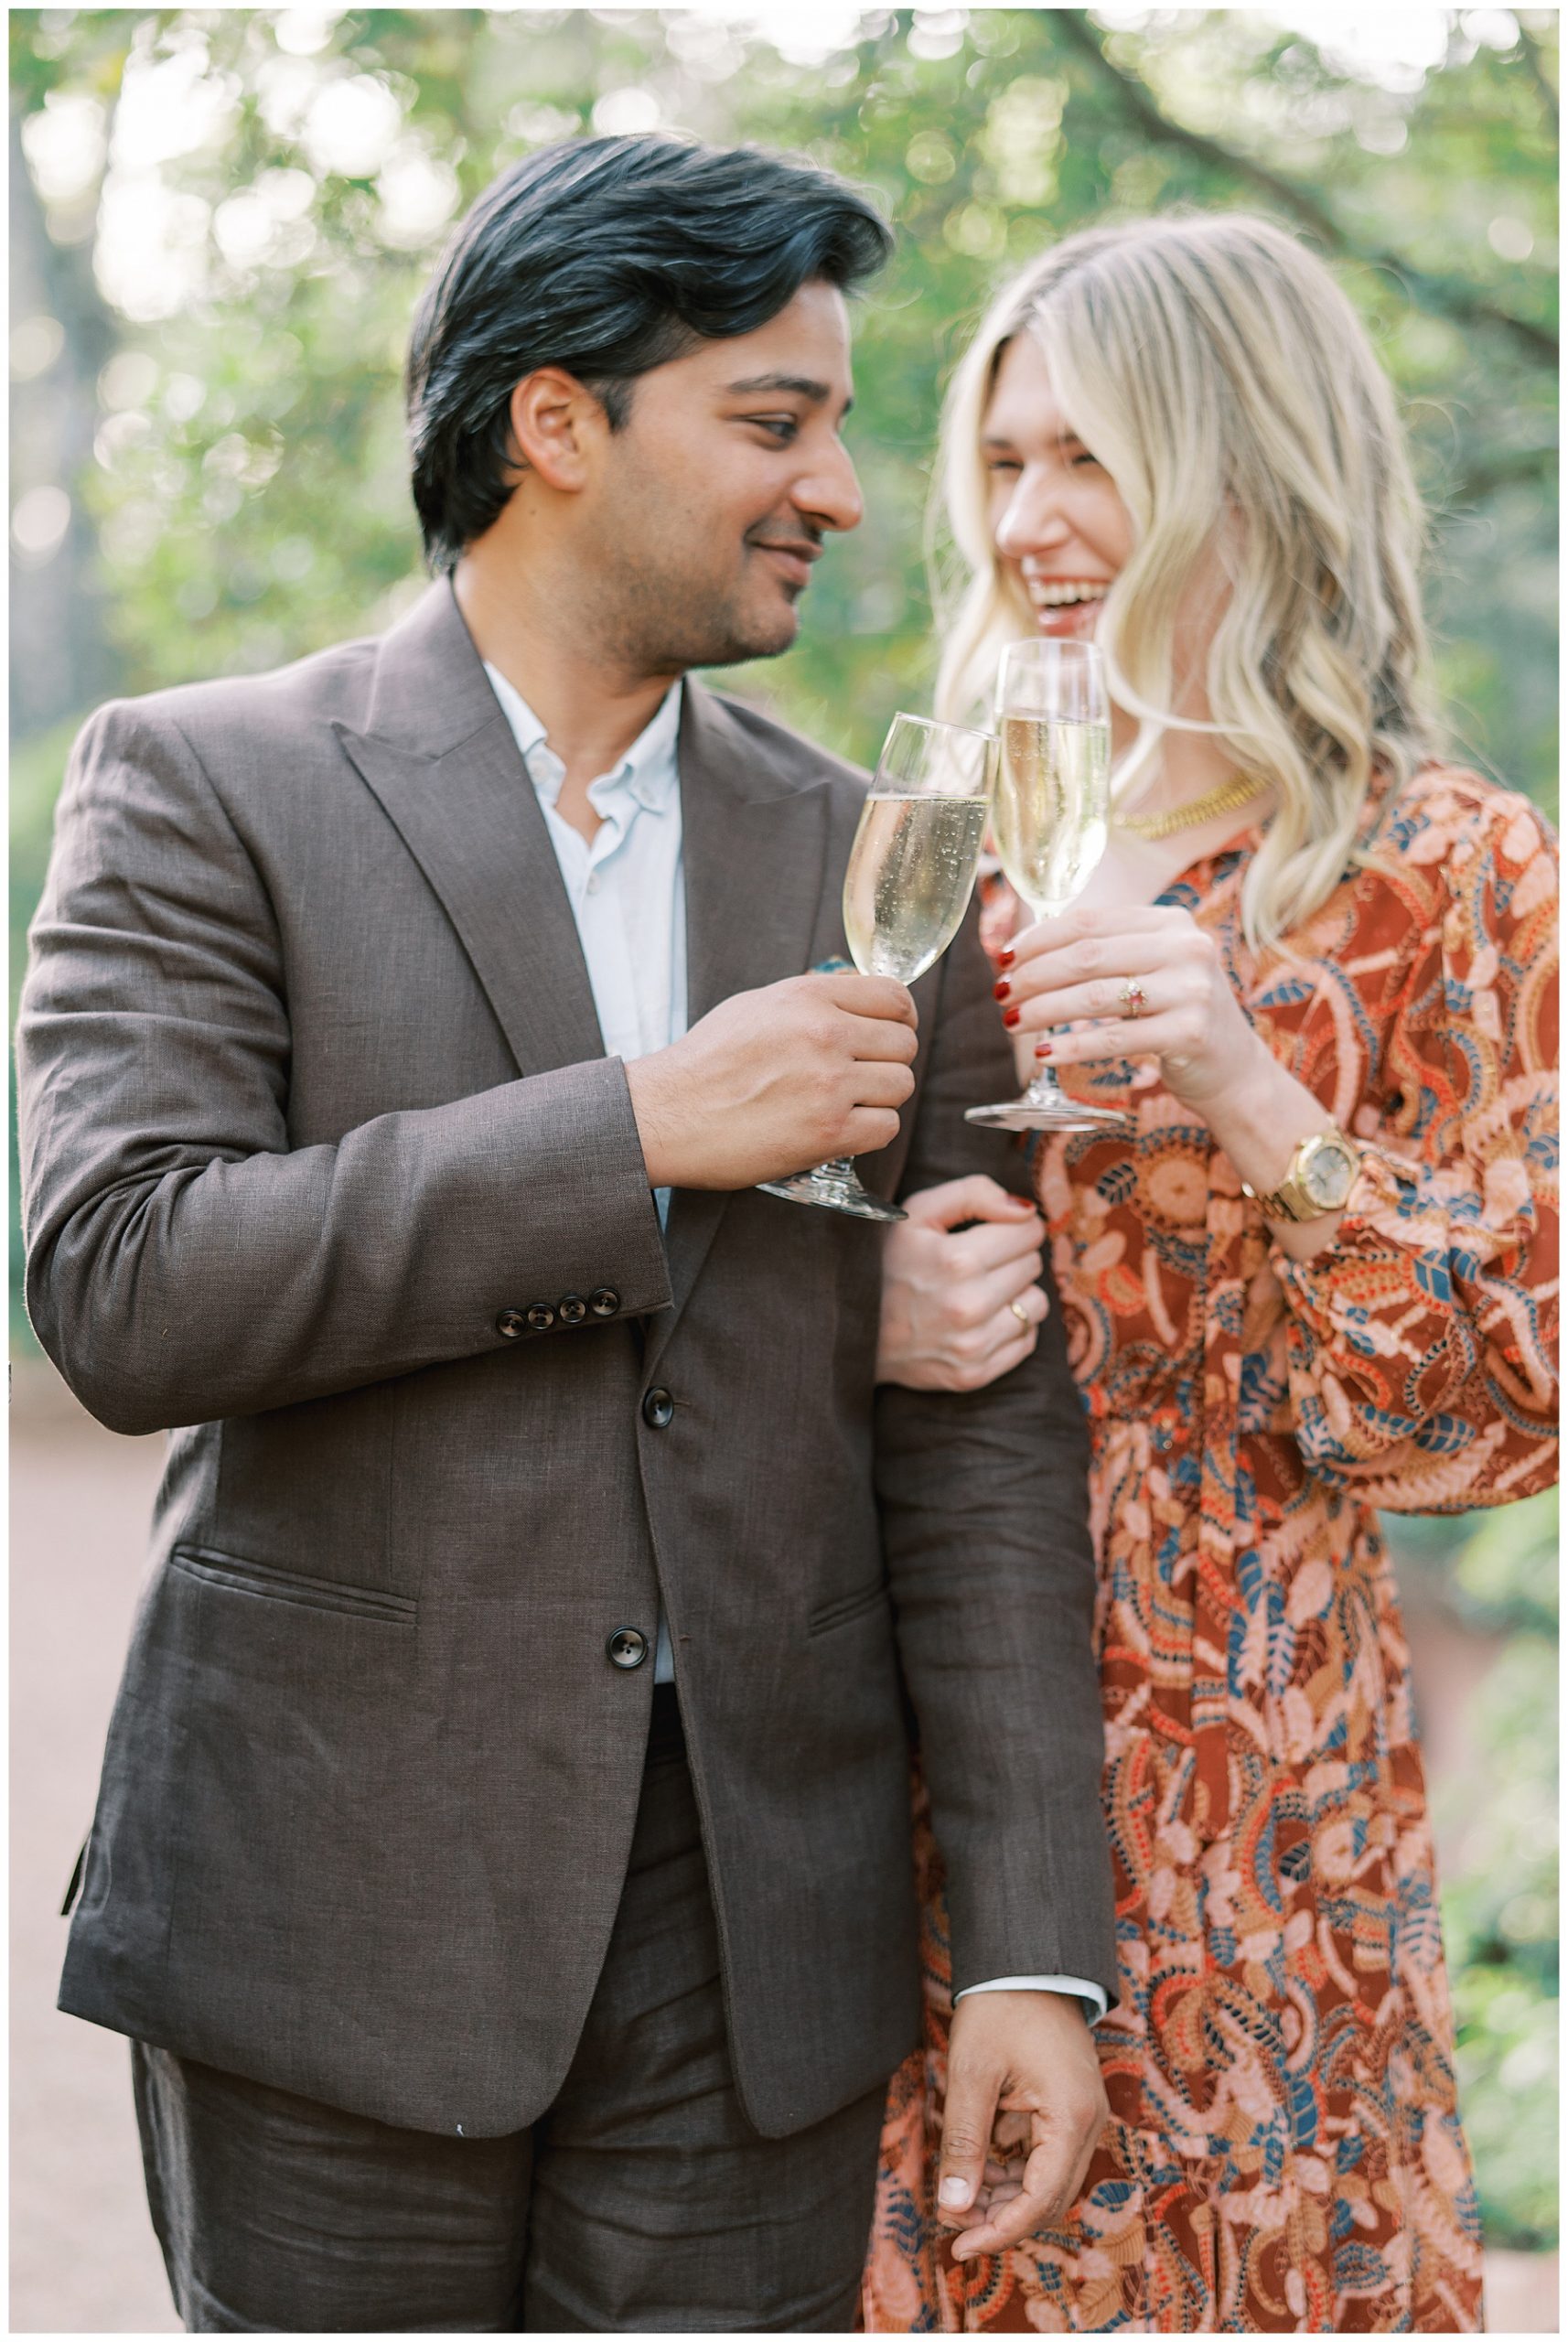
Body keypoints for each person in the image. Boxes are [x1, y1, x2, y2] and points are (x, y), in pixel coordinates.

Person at [17, 135, 1119, 2334]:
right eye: (772, 419)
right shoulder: (204, 781)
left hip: (755, 1945)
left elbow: (985, 1432)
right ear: (555, 421)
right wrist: (637, 1128)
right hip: (333, 1901)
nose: (840, 487)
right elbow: (127, 1283)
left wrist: (1026, 1938)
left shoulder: (878, 854)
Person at [863, 212, 1559, 2333]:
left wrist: (1247, 1087)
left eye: (1091, 455)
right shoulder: (926, 850)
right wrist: (859, 1309)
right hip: (903, 1732)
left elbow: (1495, 1411)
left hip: (1256, 1773)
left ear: (1245, 461)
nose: (1032, 518)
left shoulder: (1450, 870)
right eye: (1001, 462)